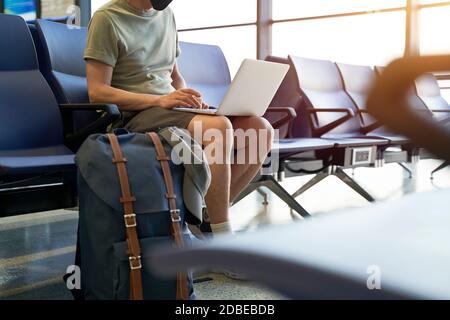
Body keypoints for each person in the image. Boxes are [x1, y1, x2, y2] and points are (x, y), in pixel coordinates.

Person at [84, 0, 273, 238]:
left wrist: (187, 98)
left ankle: (208, 218)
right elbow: (97, 92)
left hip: (170, 109)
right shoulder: (107, 19)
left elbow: (174, 75)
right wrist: (158, 101)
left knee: (259, 130)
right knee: (219, 128)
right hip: (133, 116)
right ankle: (223, 238)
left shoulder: (167, 16)